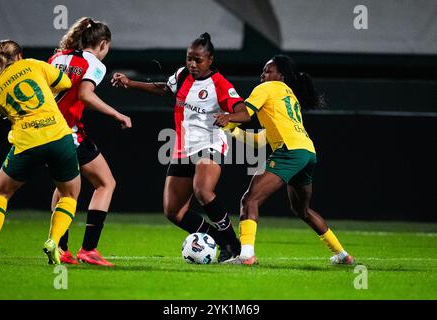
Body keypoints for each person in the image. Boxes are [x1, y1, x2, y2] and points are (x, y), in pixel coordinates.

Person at [112, 33, 244, 262]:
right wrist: (130, 83)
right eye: (189, 58)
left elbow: (244, 111)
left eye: (198, 60)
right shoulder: (183, 75)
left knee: (203, 190)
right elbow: (165, 89)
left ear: (210, 60)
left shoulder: (220, 84)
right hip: (183, 148)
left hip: (209, 143)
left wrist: (229, 116)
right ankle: (220, 241)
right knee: (174, 212)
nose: (192, 64)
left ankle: (233, 244)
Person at [214, 55, 355, 265]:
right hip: (307, 152)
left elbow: (245, 113)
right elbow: (261, 141)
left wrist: (228, 117)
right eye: (262, 71)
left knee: (249, 200)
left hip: (289, 151)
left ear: (280, 75)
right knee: (303, 210)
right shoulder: (289, 95)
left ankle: (246, 256)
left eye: (268, 70)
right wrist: (232, 130)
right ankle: (342, 255)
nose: (263, 74)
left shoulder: (266, 88)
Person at [0, 40, 80, 264]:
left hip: (27, 142)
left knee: (0, 195)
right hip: (58, 136)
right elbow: (66, 82)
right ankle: (53, 242)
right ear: (19, 55)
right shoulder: (33, 64)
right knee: (69, 195)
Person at [48, 17, 132, 266]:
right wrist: (117, 113)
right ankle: (88, 249)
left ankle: (59, 247)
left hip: (46, 131)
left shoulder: (57, 57)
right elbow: (85, 95)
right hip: (69, 132)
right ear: (103, 43)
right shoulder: (93, 63)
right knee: (105, 183)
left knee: (63, 189)